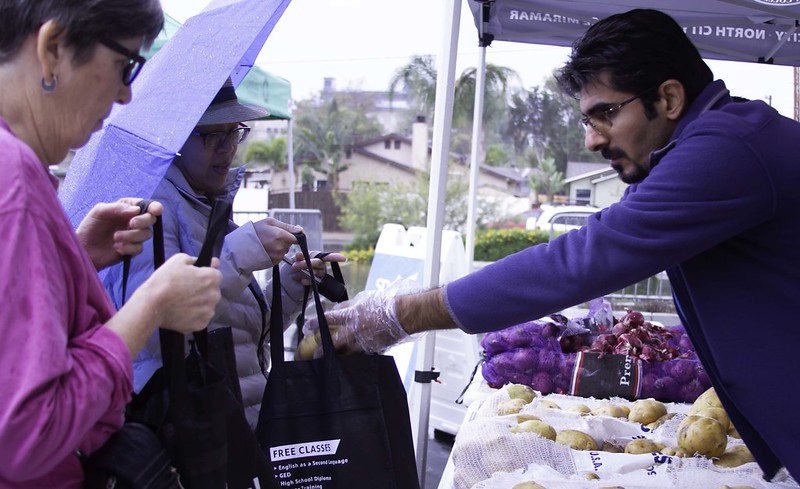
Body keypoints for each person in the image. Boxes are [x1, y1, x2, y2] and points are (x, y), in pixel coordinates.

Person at [316, 8, 800, 481]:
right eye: (587, 121)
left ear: (669, 98)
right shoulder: (716, 141)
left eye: (605, 114)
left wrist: (399, 315)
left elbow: (580, 260)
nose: (592, 140)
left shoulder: (727, 151)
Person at [0, 1, 223, 487]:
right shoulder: (14, 182)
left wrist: (72, 258)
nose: (125, 94)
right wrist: (149, 307)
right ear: (53, 49)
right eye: (125, 65)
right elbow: (27, 435)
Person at [103, 78, 346, 428]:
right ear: (177, 138)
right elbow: (156, 335)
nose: (228, 148)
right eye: (212, 135)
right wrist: (242, 253)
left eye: (234, 132)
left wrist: (292, 285)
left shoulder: (207, 207)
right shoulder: (152, 212)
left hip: (233, 426)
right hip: (190, 433)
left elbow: (243, 333)